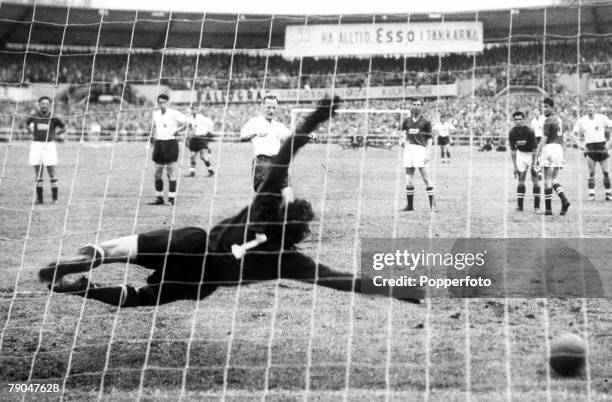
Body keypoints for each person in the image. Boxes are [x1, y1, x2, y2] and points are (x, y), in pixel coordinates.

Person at [38, 97, 423, 307]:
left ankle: (94, 255)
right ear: (298, 237)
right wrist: (398, 290)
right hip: (203, 281)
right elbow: (345, 281)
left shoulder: (264, 205)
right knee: (141, 297)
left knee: (121, 250)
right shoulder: (291, 260)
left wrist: (314, 120)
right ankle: (84, 289)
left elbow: (285, 154)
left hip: (193, 244)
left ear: (282, 211)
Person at [240, 93, 293, 202]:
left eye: (274, 107)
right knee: (266, 198)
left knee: (288, 195)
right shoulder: (255, 122)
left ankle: (288, 216)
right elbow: (242, 137)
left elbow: (292, 136)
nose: (271, 110)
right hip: (262, 162)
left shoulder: (278, 125)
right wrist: (256, 134)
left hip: (279, 162)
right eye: (269, 107)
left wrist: (308, 135)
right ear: (262, 107)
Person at [567, 100, 612, 201]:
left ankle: (608, 194)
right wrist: (580, 145)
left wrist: (610, 142)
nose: (590, 108)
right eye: (588, 107)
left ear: (595, 108)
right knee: (591, 172)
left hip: (602, 146)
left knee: (606, 172)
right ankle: (591, 195)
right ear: (586, 109)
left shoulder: (602, 118)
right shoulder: (581, 121)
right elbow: (573, 134)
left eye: (592, 106)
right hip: (590, 148)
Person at [26, 96, 66, 204]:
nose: (44, 105)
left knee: (52, 172)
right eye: (42, 103)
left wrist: (56, 134)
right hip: (36, 145)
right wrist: (30, 131)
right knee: (38, 173)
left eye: (46, 103)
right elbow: (27, 125)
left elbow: (63, 127)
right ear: (39, 104)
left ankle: (55, 199)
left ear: (49, 105)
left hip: (49, 146)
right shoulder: (33, 116)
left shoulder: (53, 117)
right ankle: (40, 199)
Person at [150, 94, 188, 206]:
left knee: (171, 172)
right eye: (160, 102)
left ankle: (171, 199)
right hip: (159, 143)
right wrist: (153, 138)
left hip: (170, 143)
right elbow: (154, 127)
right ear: (157, 103)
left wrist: (177, 131)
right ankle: (159, 198)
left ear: (167, 102)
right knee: (157, 173)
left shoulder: (173, 113)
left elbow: (186, 122)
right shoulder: (155, 114)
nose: (162, 104)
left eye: (164, 102)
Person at [535, 97, 570, 216]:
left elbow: (543, 140)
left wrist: (537, 155)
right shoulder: (560, 120)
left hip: (549, 148)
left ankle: (548, 209)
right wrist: (563, 155)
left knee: (547, 180)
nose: (543, 109)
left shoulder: (548, 120)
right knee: (554, 179)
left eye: (546, 107)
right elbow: (564, 139)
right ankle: (564, 200)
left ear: (552, 108)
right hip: (558, 149)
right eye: (543, 106)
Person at [400, 98, 435, 211]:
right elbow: (403, 134)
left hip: (420, 150)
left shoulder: (426, 122)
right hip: (409, 151)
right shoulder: (407, 121)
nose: (416, 106)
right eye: (414, 104)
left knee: (426, 178)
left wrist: (428, 154)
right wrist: (403, 142)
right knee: (408, 180)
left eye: (418, 105)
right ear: (411, 106)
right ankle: (410, 206)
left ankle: (433, 205)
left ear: (421, 107)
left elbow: (429, 139)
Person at [509, 111, 540, 212]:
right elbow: (513, 151)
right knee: (521, 181)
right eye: (516, 119)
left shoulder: (530, 131)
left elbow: (535, 149)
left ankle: (536, 207)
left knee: (535, 181)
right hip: (521, 155)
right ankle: (520, 206)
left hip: (531, 155)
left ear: (523, 120)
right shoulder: (512, 132)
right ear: (514, 120)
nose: (518, 121)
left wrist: (534, 164)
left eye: (520, 119)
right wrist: (514, 166)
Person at [187, 104, 215, 177]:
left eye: (194, 109)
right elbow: (188, 126)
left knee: (203, 156)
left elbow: (210, 124)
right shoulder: (190, 118)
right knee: (192, 156)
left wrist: (207, 132)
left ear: (197, 110)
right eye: (192, 109)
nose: (193, 111)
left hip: (201, 138)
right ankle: (192, 172)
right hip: (194, 138)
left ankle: (210, 170)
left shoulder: (201, 118)